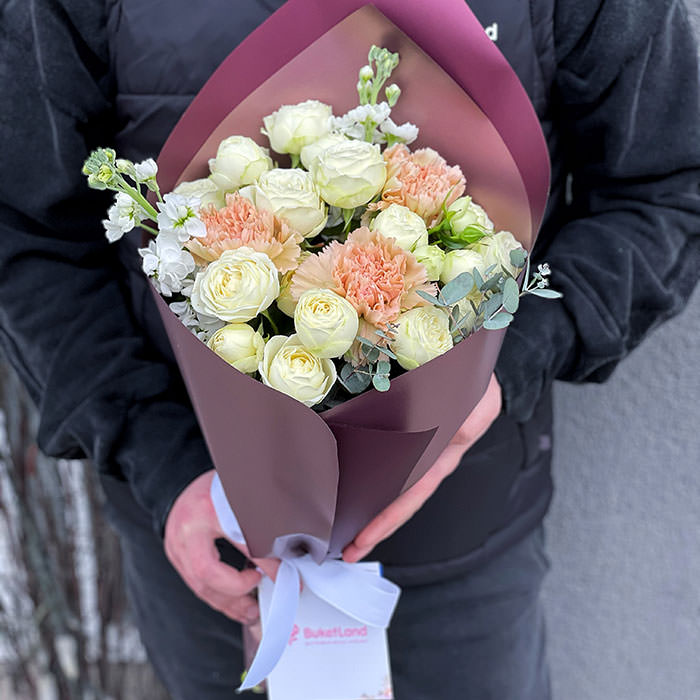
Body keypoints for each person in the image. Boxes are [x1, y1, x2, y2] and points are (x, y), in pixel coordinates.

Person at [1, 0, 699, 697]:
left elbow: (666, 186)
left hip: (462, 547)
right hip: (210, 544)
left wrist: (499, 373)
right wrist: (164, 465)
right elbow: (27, 232)